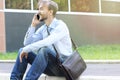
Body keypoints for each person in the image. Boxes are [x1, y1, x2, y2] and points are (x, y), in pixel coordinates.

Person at [10, 0, 73, 80]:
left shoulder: (60, 26)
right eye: (38, 9)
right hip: (50, 66)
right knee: (22, 50)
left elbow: (47, 42)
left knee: (44, 50)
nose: (38, 12)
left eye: (42, 9)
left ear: (50, 12)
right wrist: (33, 25)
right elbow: (27, 43)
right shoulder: (43, 29)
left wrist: (27, 49)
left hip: (63, 67)